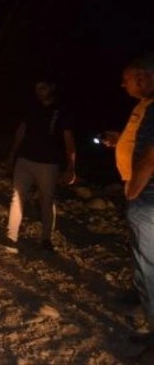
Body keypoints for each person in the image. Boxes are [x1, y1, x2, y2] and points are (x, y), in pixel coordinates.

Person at [103, 53, 154, 359]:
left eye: (127, 78)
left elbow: (150, 156)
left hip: (148, 196)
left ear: (144, 76)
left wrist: (134, 191)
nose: (123, 85)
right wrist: (119, 139)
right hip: (145, 193)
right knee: (146, 264)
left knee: (149, 268)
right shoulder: (145, 106)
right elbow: (140, 143)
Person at [0, 77, 76, 254]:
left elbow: (68, 139)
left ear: (51, 87)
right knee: (17, 197)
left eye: (43, 87)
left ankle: (46, 239)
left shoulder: (61, 110)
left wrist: (71, 166)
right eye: (37, 88)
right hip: (25, 159)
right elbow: (21, 130)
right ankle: (11, 237)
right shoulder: (32, 107)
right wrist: (12, 155)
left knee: (47, 200)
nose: (39, 91)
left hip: (49, 163)